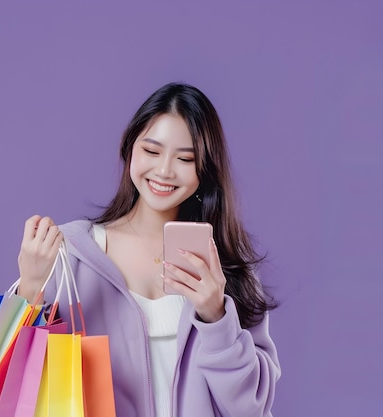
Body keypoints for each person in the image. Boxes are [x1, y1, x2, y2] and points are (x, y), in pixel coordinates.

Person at [16, 82, 281, 417]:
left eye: (185, 158)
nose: (164, 171)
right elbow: (20, 386)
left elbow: (252, 407)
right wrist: (30, 286)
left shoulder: (226, 268)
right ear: (130, 150)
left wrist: (216, 316)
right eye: (152, 151)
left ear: (205, 171)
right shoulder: (74, 255)